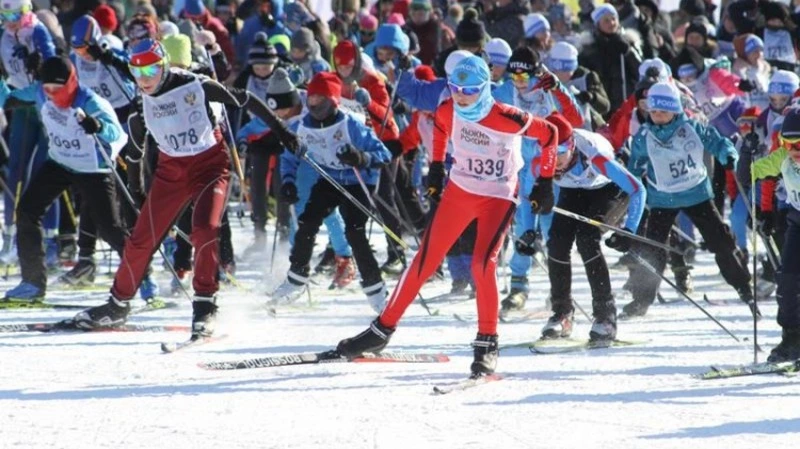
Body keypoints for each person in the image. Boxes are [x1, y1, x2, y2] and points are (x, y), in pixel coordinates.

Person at [335, 55, 559, 377]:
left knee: (482, 264)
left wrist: (545, 182)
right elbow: (440, 128)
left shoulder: (505, 116)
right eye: (455, 88)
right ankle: (382, 330)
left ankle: (487, 342)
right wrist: (438, 166)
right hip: (460, 191)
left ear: (484, 88)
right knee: (424, 260)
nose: (461, 96)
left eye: (469, 90)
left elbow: (550, 133)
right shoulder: (447, 109)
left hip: (497, 196)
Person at [73, 39, 299, 335]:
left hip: (210, 167)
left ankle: (205, 305)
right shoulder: (141, 106)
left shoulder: (197, 85)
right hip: (171, 173)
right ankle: (117, 305)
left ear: (164, 65)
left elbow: (245, 99)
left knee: (205, 229)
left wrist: (281, 130)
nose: (144, 79)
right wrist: (137, 193)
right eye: (137, 72)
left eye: (151, 70)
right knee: (141, 238)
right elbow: (135, 153)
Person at [622, 81, 756, 319]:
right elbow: (636, 164)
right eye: (654, 111)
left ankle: (743, 286)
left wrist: (727, 154)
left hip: (696, 194)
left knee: (721, 241)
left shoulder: (692, 126)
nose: (658, 116)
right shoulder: (644, 136)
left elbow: (717, 142)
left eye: (663, 111)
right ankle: (641, 300)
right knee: (652, 249)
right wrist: (632, 179)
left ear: (675, 109)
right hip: (662, 198)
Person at [0, 57, 129, 302]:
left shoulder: (89, 101)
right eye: (47, 89)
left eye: (57, 89)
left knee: (110, 229)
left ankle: (143, 278)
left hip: (93, 168)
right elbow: (7, 100)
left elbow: (117, 134)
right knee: (27, 211)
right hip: (60, 162)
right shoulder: (39, 92)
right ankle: (32, 283)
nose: (52, 94)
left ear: (70, 83)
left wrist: (98, 126)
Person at [268, 72, 392, 312]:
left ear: (333, 100)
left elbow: (383, 154)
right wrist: (288, 182)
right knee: (307, 221)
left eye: (320, 99)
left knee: (355, 232)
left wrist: (361, 158)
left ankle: (376, 289)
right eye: (311, 98)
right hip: (329, 178)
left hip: (357, 181)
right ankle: (296, 279)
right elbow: (289, 158)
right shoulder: (301, 127)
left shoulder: (350, 124)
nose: (314, 103)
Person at [539, 115, 645, 341]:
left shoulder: (594, 155)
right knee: (556, 241)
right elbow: (527, 195)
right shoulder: (539, 162)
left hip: (608, 188)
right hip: (573, 190)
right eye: (549, 152)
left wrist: (630, 231)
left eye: (560, 152)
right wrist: (528, 231)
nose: (554, 159)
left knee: (587, 239)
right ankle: (562, 313)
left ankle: (606, 316)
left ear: (571, 146)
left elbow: (638, 189)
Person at [0, 0, 60, 271]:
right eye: (5, 14)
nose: (11, 20)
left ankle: (51, 242)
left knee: (44, 173)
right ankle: (9, 239)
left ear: (27, 11)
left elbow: (54, 69)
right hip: (21, 106)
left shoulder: (37, 31)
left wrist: (40, 65)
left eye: (16, 13)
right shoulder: (3, 35)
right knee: (15, 171)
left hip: (45, 107)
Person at [752, 109, 800, 362]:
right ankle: (792, 339)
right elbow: (755, 172)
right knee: (787, 280)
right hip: (797, 222)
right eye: (788, 143)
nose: (794, 149)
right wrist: (745, 158)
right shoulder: (783, 157)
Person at [578, 3, 642, 114]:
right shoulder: (590, 48)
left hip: (625, 102)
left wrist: (628, 52)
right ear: (598, 24)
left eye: (613, 19)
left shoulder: (628, 42)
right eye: (606, 21)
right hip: (602, 104)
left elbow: (639, 71)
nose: (611, 23)